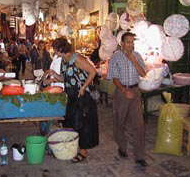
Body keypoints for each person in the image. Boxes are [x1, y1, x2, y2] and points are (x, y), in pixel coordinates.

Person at [44, 37, 99, 163]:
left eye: (55, 50)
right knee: (72, 122)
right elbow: (66, 78)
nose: (54, 52)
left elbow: (93, 71)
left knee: (84, 124)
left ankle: (83, 151)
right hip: (72, 95)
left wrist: (84, 87)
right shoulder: (63, 60)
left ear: (61, 49)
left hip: (83, 95)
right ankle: (74, 147)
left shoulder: (77, 58)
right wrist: (53, 75)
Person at [107, 32, 148, 167]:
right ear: (122, 43)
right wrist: (124, 91)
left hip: (135, 91)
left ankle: (140, 156)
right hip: (121, 91)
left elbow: (143, 73)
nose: (131, 44)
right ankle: (122, 147)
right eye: (128, 42)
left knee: (139, 125)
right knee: (119, 122)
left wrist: (133, 60)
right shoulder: (115, 57)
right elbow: (114, 77)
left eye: (132, 42)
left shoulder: (137, 56)